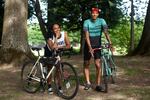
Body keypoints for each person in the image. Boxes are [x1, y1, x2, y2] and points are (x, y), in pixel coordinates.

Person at [83, 7, 113, 91]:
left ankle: (98, 84)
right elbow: (86, 35)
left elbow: (106, 32)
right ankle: (88, 82)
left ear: (98, 14)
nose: (94, 14)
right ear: (91, 13)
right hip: (88, 45)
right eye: (93, 13)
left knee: (98, 65)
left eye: (96, 13)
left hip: (97, 45)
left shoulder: (102, 21)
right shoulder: (86, 22)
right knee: (86, 63)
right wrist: (89, 47)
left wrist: (110, 42)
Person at [44, 23, 71, 94]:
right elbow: (52, 47)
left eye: (58, 28)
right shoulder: (50, 36)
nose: (57, 30)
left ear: (60, 28)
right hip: (49, 52)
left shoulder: (64, 34)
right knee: (50, 68)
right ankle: (49, 86)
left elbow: (68, 45)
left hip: (57, 52)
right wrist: (56, 37)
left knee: (59, 70)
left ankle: (59, 86)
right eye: (55, 28)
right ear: (52, 30)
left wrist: (60, 47)